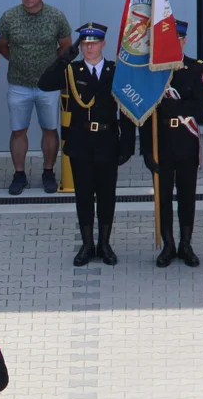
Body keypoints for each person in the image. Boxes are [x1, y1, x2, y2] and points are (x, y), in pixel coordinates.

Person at [38, 22, 135, 267]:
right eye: (84, 44)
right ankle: (87, 244)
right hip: (81, 141)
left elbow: (126, 109)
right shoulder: (73, 70)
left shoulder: (115, 71)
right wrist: (63, 59)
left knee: (106, 195)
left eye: (93, 43)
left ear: (103, 44)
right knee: (83, 195)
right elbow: (44, 83)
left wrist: (128, 142)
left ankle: (104, 243)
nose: (88, 48)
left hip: (107, 139)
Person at [140, 20, 203, 268]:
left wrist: (170, 107)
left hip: (186, 140)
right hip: (162, 142)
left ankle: (186, 244)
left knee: (187, 195)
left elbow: (199, 107)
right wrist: (146, 149)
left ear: (184, 40)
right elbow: (145, 113)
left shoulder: (195, 68)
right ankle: (168, 244)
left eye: (178, 39)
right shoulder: (153, 70)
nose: (174, 43)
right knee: (164, 195)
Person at [0, 0, 71, 195]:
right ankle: (19, 175)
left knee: (50, 129)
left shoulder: (56, 17)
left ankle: (48, 172)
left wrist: (50, 69)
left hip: (48, 86)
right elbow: (1, 46)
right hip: (19, 84)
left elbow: (66, 47)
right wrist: (21, 62)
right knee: (19, 130)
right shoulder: (9, 17)